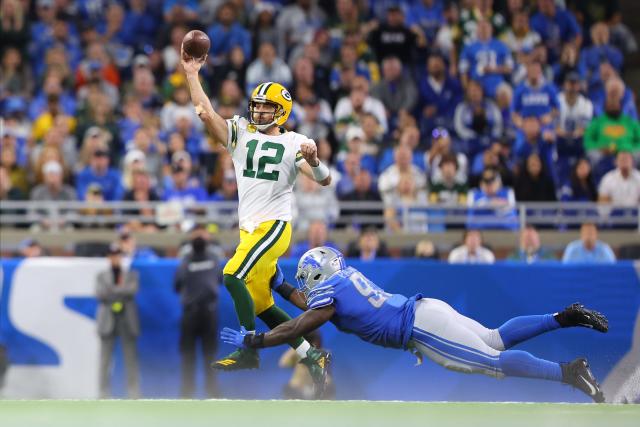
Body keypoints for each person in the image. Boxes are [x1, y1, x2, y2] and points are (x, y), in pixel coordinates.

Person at [221, 247, 608, 403]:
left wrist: (258, 339)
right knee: (494, 338)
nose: (307, 284)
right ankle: (563, 317)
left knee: (492, 361)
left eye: (307, 277)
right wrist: (283, 285)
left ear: (320, 274)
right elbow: (313, 307)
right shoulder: (342, 282)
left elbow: (301, 324)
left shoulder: (331, 293)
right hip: (425, 310)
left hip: (420, 328)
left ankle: (569, 373)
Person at [181, 46, 330, 386]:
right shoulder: (241, 133)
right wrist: (192, 74)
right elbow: (205, 112)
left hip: (274, 226)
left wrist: (316, 160)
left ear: (283, 112)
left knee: (232, 275)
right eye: (258, 106)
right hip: (250, 232)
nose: (260, 112)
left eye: (267, 107)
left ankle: (249, 349)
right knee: (262, 303)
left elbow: (323, 179)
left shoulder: (295, 142)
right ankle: (312, 356)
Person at [174, 225, 223, 398]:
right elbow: (220, 280)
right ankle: (188, 393)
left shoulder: (190, 261)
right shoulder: (195, 260)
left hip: (201, 313)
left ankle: (211, 392)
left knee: (208, 354)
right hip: (197, 313)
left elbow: (177, 285)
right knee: (191, 355)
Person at [95, 243, 140, 398]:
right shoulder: (101, 275)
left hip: (127, 319)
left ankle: (133, 392)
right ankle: (103, 393)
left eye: (118, 255)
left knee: (130, 359)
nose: (115, 258)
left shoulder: (131, 274)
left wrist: (112, 291)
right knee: (105, 359)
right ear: (109, 257)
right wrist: (121, 292)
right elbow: (100, 294)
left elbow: (132, 290)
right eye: (112, 255)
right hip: (108, 319)